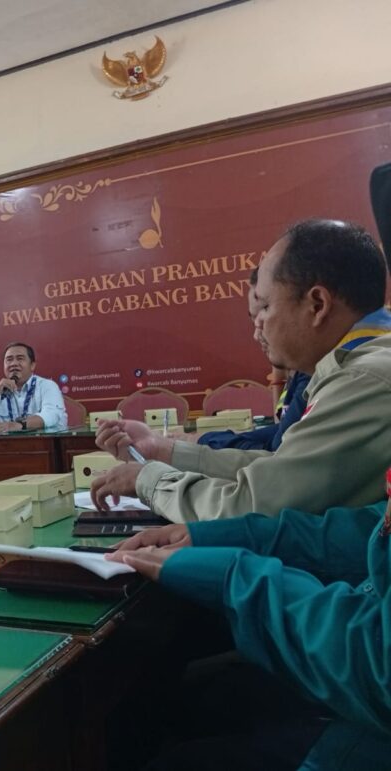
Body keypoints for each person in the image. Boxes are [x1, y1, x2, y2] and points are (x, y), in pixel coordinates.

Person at [91, 219, 391, 521]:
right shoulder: (356, 366)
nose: (258, 326)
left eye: (265, 306)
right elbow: (279, 466)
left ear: (317, 305)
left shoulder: (361, 381)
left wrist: (148, 480)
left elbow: (253, 504)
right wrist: (163, 451)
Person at [105, 499, 391, 769]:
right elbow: (358, 532)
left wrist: (231, 578)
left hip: (364, 735)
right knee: (184, 700)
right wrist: (213, 537)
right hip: (348, 691)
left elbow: (378, 666)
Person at [198, 269, 309, 452]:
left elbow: (278, 451)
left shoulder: (314, 374)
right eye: (254, 320)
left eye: (265, 311)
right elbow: (278, 432)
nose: (257, 335)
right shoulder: (301, 373)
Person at [0, 342, 66, 433]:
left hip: (44, 442)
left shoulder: (48, 386)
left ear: (32, 365)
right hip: (7, 443)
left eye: (20, 359)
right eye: (9, 359)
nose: (14, 363)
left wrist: (20, 425)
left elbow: (51, 415)